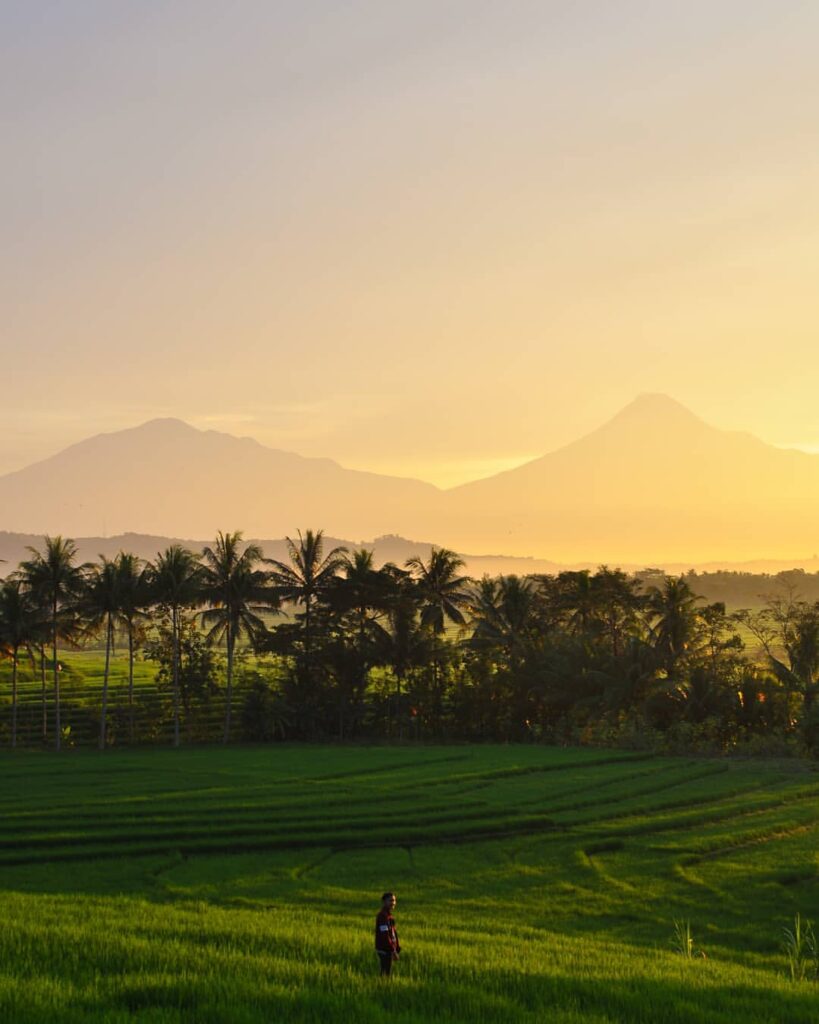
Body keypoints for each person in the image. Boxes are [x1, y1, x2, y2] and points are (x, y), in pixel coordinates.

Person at [375, 891, 400, 976]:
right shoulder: (383, 916)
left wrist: (397, 947)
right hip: (384, 949)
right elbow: (385, 935)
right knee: (385, 973)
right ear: (384, 902)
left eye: (394, 900)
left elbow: (393, 932)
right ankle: (382, 987)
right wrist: (393, 950)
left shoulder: (389, 916)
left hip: (388, 948)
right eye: (390, 900)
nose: (393, 903)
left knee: (386, 971)